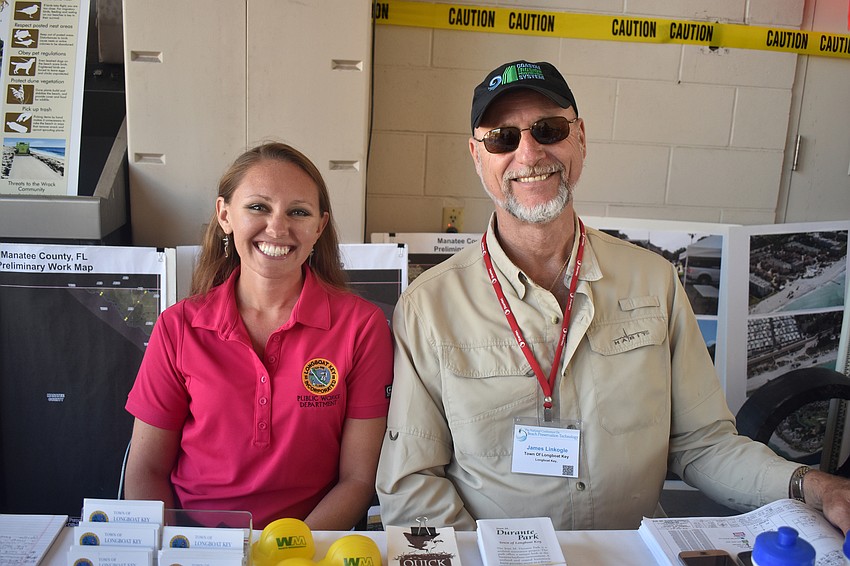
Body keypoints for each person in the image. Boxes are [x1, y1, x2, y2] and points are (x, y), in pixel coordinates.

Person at [375, 60, 850, 532]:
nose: (529, 153)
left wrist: (815, 486)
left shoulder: (654, 281)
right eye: (503, 137)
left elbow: (703, 445)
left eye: (548, 129)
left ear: (580, 137)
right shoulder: (428, 307)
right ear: (477, 156)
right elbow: (413, 483)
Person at [125, 142, 393, 530]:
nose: (277, 228)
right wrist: (179, 549)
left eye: (298, 212)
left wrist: (289, 552)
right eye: (258, 207)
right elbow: (147, 470)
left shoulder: (362, 327)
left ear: (319, 226)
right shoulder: (178, 327)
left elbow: (357, 480)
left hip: (308, 549)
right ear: (225, 214)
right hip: (197, 547)